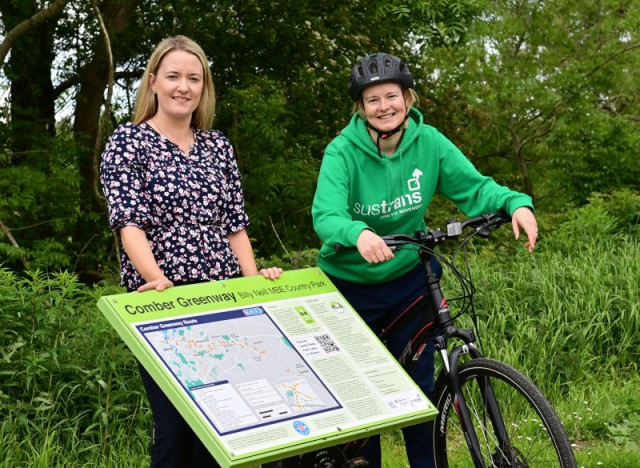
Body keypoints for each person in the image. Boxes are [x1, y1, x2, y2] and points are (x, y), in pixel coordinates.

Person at [311, 52, 538, 468]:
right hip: (349, 286)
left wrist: (515, 204)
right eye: (373, 99)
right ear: (360, 108)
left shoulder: (429, 142)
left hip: (410, 279)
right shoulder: (341, 151)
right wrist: (357, 232)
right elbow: (326, 215)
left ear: (408, 98)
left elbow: (475, 188)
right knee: (362, 396)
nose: (384, 106)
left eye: (391, 96)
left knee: (417, 390)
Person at [100, 35, 282, 467]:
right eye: (174, 76)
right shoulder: (127, 142)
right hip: (165, 304)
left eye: (194, 78)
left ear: (204, 87)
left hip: (224, 303)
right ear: (153, 82)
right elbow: (130, 225)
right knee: (176, 428)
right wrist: (155, 278)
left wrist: (254, 286)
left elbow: (234, 228)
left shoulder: (218, 147)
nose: (184, 86)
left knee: (227, 425)